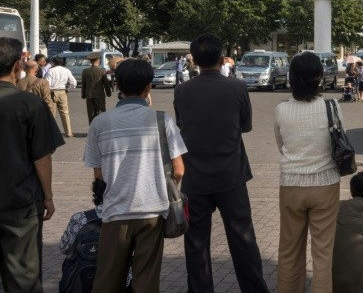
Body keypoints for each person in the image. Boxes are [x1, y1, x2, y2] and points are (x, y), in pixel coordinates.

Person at [174, 33, 269, 293]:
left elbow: (182, 124)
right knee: (243, 239)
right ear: (220, 58)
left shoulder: (182, 90)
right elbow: (246, 126)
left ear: (194, 60)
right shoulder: (237, 87)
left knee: (196, 244)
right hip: (231, 175)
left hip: (194, 178)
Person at [84, 58, 186, 292]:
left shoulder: (100, 123)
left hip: (115, 211)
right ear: (149, 86)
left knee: (107, 280)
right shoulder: (162, 121)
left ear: (117, 85)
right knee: (146, 280)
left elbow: (98, 173)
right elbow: (179, 169)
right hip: (152, 211)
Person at [0, 37, 64, 292]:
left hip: (20, 203)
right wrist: (48, 197)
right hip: (20, 203)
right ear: (18, 65)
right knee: (23, 280)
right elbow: (41, 157)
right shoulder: (30, 104)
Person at [274, 52, 341, 292]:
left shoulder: (281, 110)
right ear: (319, 78)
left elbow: (280, 145)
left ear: (291, 78)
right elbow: (339, 142)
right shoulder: (330, 107)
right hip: (325, 183)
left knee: (289, 249)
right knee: (323, 253)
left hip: (291, 183)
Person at [59, 178, 133, 287]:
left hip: (83, 280)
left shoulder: (80, 218)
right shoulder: (128, 220)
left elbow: (64, 248)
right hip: (119, 282)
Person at [45, 55, 77, 138]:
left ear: (54, 62)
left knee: (52, 114)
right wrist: (68, 90)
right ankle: (69, 132)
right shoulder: (66, 70)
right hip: (62, 91)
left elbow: (47, 84)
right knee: (65, 113)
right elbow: (73, 82)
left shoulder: (50, 71)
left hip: (52, 92)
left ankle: (51, 133)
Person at [81, 51, 112, 124]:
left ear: (90, 61)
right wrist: (108, 93)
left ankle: (92, 129)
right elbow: (106, 84)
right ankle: (101, 129)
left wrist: (83, 95)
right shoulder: (102, 71)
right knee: (101, 113)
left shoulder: (85, 71)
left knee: (91, 114)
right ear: (98, 60)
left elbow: (83, 85)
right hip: (99, 95)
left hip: (89, 96)